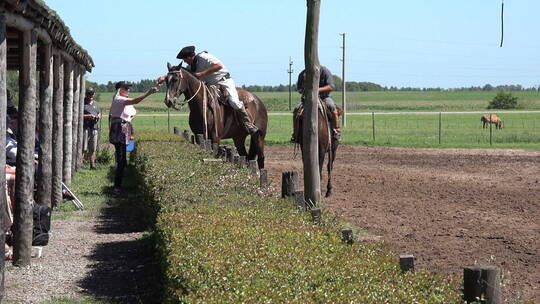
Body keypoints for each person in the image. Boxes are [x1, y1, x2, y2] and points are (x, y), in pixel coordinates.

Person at [157, 45, 258, 134]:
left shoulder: (204, 57)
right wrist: (164, 77)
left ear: (190, 57)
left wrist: (201, 74)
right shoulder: (191, 65)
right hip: (210, 84)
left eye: (185, 59)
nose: (184, 61)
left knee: (234, 102)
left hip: (224, 81)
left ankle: (248, 123)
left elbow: (219, 66)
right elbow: (179, 74)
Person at [109, 81, 158, 193]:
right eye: (126, 88)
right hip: (120, 128)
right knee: (121, 158)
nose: (128, 90)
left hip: (123, 127)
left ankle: (118, 185)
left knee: (122, 158)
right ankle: (117, 187)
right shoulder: (119, 99)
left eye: (129, 88)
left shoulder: (120, 100)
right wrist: (148, 93)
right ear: (119, 89)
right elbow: (135, 101)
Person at [295, 65, 340, 140]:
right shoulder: (302, 74)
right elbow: (299, 89)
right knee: (296, 110)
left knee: (332, 108)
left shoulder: (324, 71)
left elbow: (331, 86)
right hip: (308, 99)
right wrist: (304, 90)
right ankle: (296, 134)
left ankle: (336, 130)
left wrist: (317, 89)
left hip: (324, 97)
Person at [82, 88, 101, 169]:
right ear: (86, 94)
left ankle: (92, 165)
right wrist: (88, 116)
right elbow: (77, 114)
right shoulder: (82, 103)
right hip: (85, 127)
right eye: (89, 93)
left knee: (93, 147)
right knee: (83, 146)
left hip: (94, 127)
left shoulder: (96, 103)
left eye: (92, 93)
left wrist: (98, 116)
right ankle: (80, 164)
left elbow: (99, 113)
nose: (91, 95)